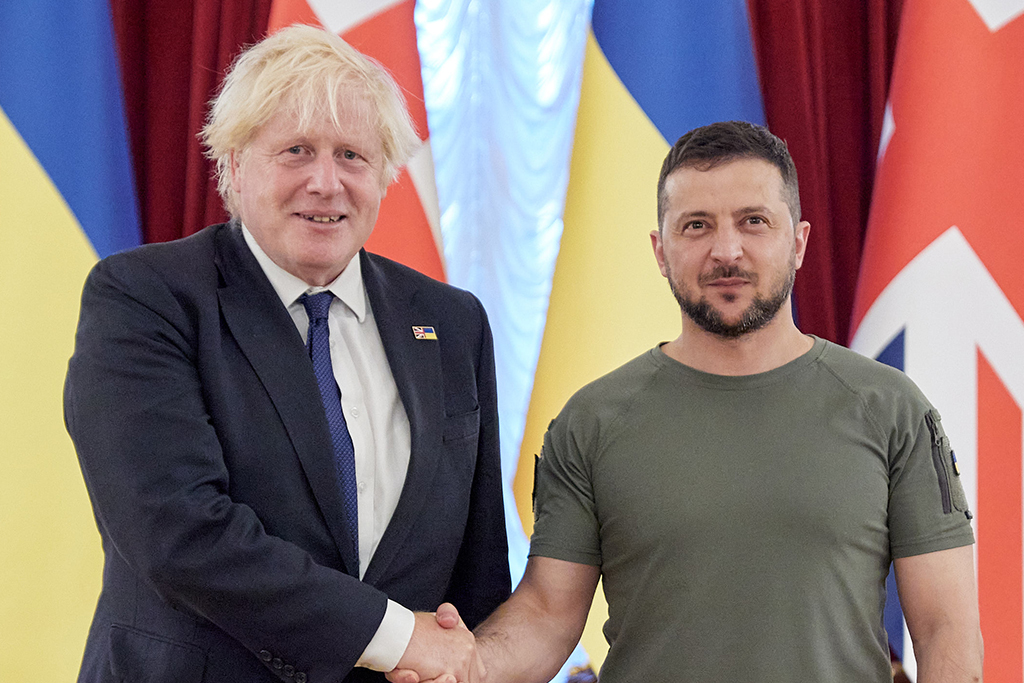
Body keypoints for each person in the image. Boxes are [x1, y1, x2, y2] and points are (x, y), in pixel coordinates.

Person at [392, 121, 983, 682]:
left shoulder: (892, 410)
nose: (726, 250)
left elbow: (946, 632)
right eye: (696, 226)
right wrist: (467, 665)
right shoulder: (591, 423)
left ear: (799, 242)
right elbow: (548, 616)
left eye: (754, 222)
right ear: (660, 250)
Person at [65, 25, 508, 683]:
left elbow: (478, 565)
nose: (326, 182)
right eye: (297, 151)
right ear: (235, 165)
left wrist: (460, 658)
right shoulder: (144, 297)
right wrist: (396, 638)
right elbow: (178, 533)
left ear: (385, 174)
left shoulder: (452, 321)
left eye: (353, 155)